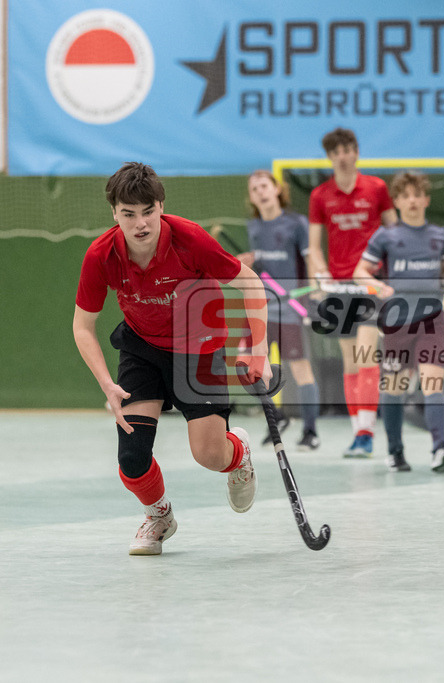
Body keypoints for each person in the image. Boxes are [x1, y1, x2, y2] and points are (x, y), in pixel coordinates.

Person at [72, 162, 270, 555]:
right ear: (115, 213)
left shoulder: (191, 241)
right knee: (131, 455)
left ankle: (239, 453)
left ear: (161, 205)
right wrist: (106, 383)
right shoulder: (101, 255)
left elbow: (248, 280)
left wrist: (259, 349)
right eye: (128, 214)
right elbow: (82, 326)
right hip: (142, 348)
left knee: (209, 455)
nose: (140, 223)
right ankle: (159, 515)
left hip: (201, 349)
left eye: (147, 211)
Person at [352, 171, 444, 474]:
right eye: (405, 195)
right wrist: (379, 287)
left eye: (418, 194)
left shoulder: (439, 235)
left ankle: (440, 450)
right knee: (395, 390)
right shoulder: (386, 236)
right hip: (397, 322)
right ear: (397, 202)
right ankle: (395, 452)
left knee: (433, 384)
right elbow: (360, 272)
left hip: (432, 320)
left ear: (426, 200)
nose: (412, 200)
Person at [307, 128, 397, 458]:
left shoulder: (377, 188)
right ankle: (358, 432)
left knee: (365, 355)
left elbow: (395, 234)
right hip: (339, 288)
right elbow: (315, 248)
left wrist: (390, 275)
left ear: (356, 152)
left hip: (370, 286)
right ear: (330, 157)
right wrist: (322, 277)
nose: (343, 156)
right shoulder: (320, 196)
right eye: (336, 151)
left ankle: (366, 432)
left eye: (348, 149)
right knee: (350, 362)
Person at [237, 169, 322, 451]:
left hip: (290, 308)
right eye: (254, 188)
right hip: (261, 310)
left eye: (264, 185)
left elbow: (310, 261)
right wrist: (249, 263)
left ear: (276, 189)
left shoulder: (297, 224)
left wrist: (313, 293)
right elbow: (258, 266)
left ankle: (310, 432)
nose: (260, 191)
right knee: (246, 365)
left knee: (300, 369)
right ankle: (278, 416)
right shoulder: (254, 227)